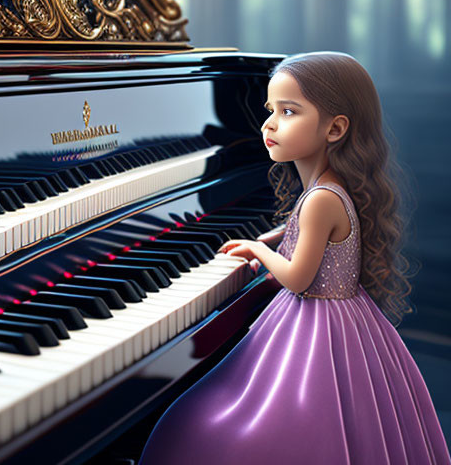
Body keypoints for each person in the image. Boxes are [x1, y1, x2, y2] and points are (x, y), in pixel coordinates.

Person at [140, 51, 450, 465]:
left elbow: (299, 278)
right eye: (271, 110)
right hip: (337, 318)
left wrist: (258, 250)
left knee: (223, 422)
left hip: (316, 326)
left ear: (335, 128)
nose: (269, 124)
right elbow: (300, 232)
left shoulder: (321, 199)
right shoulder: (327, 186)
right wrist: (271, 238)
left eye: (288, 112)